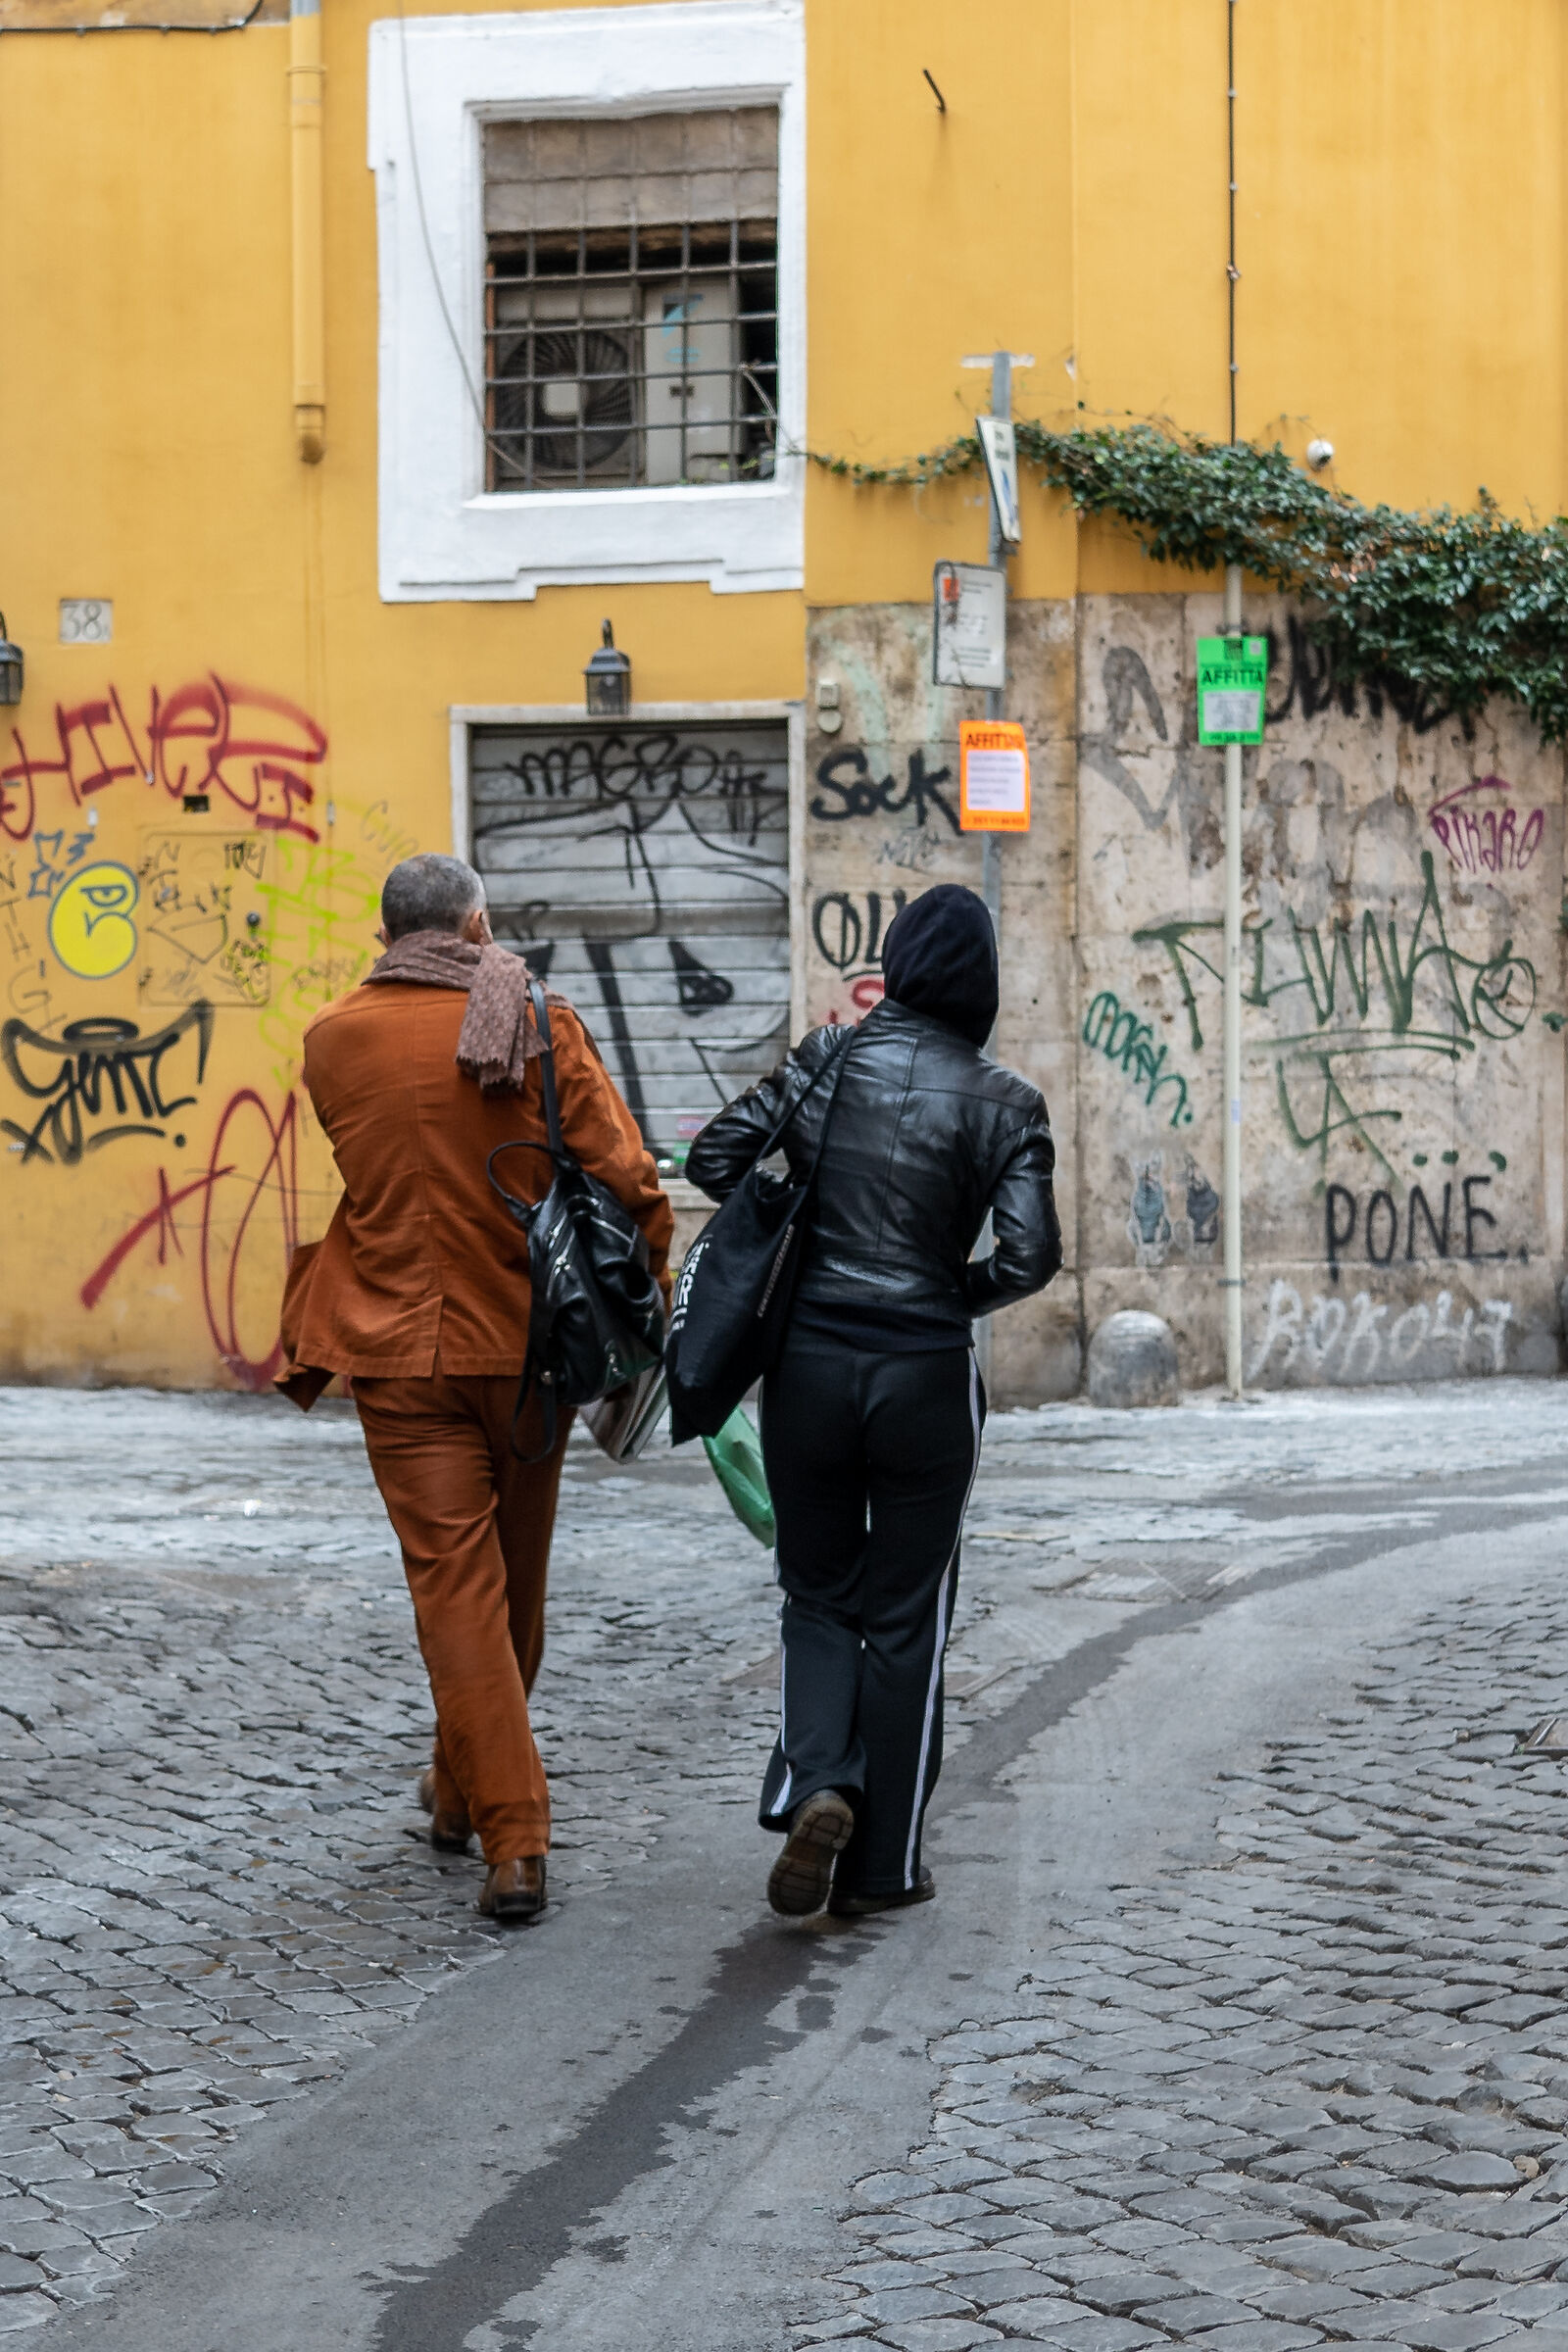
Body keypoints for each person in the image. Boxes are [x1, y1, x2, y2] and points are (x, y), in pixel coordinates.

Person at [276, 854, 671, 1924]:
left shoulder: (332, 1040)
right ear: (477, 926)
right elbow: (627, 1177)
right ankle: (517, 1835)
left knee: (459, 1595)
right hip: (528, 1348)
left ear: (386, 935)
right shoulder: (538, 1021)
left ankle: (464, 1796)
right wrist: (648, 1289)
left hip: (398, 1354)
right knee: (514, 1588)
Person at [685, 884, 1060, 1921]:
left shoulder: (825, 1058)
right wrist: (949, 1293)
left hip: (807, 1367)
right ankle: (883, 1867)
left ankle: (821, 1781)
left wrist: (795, 1224)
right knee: (906, 1614)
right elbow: (1031, 1257)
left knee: (815, 1592)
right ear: (982, 984)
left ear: (894, 966)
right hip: (926, 1375)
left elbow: (714, 1158)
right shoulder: (1009, 1102)